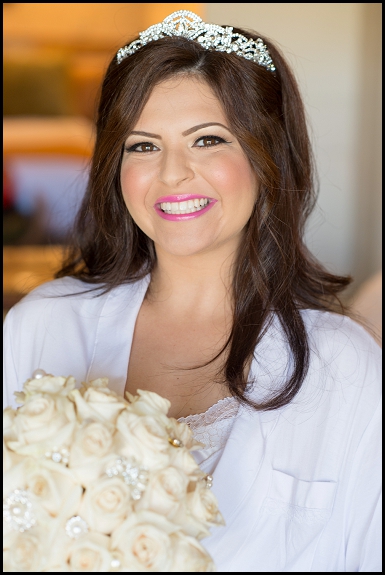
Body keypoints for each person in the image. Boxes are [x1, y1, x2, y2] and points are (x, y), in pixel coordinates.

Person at [3, 11, 381, 572]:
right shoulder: (42, 326)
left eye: (208, 139)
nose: (173, 173)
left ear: (269, 157)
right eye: (142, 146)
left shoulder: (346, 366)